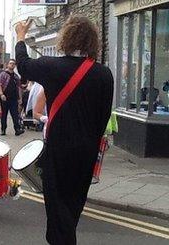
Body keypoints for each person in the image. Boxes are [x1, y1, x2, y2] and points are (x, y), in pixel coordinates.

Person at [15, 15, 113, 245]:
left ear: (66, 38)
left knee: (57, 210)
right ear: (93, 41)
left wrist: (21, 37)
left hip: (59, 149)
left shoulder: (52, 67)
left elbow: (23, 65)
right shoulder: (103, 74)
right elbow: (103, 117)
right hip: (87, 151)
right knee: (73, 206)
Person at [0, 59, 24, 136]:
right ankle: (3, 129)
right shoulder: (3, 74)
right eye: (10, 63)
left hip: (14, 98)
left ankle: (17, 129)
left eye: (13, 64)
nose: (12, 65)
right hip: (5, 97)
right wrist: (2, 94)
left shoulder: (16, 76)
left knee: (15, 114)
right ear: (7, 65)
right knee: (4, 114)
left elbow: (19, 88)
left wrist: (20, 98)